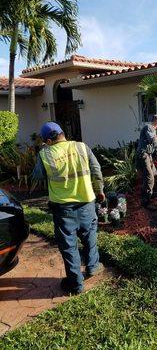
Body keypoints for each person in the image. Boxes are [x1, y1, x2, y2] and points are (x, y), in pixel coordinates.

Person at [33, 122, 105, 295]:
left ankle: (76, 284)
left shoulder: (45, 154)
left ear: (48, 140)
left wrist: (42, 152)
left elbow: (37, 175)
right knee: (90, 237)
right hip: (87, 202)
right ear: (63, 134)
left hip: (63, 209)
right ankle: (93, 267)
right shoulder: (82, 147)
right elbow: (96, 170)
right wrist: (100, 190)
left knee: (68, 246)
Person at [136, 115, 157, 208]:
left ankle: (149, 193)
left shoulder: (154, 132)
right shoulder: (148, 127)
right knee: (149, 178)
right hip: (143, 155)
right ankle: (146, 202)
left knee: (153, 174)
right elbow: (152, 140)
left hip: (149, 156)